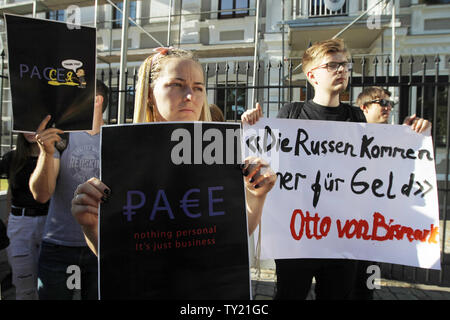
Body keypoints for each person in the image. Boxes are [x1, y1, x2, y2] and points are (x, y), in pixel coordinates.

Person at [242, 41, 432, 300]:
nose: (342, 69)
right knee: (289, 295)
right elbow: (266, 165)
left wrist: (411, 136)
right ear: (312, 76)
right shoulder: (292, 114)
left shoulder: (357, 118)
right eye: (332, 65)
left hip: (342, 238)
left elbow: (376, 167)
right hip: (297, 239)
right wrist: (251, 124)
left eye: (344, 64)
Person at [71, 47, 277, 257]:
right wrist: (91, 226)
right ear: (149, 93)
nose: (190, 96)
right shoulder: (123, 152)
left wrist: (257, 196)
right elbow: (116, 257)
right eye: (176, 85)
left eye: (198, 88)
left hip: (207, 287)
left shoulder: (219, 152)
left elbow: (231, 239)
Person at [29, 80, 109, 300]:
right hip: (58, 247)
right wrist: (46, 153)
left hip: (101, 248)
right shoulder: (62, 137)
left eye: (76, 95)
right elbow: (41, 195)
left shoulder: (115, 137)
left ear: (97, 100)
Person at [352, 86, 431, 300]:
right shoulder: (349, 135)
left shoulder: (398, 136)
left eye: (390, 103)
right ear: (364, 107)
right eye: (382, 103)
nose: (387, 107)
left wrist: (419, 130)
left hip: (377, 227)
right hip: (347, 224)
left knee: (368, 284)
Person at [0, 133, 48, 299]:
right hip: (20, 223)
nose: (29, 130)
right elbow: (11, 190)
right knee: (24, 286)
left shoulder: (56, 156)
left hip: (50, 223)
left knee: (49, 286)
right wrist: (8, 218)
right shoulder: (12, 158)